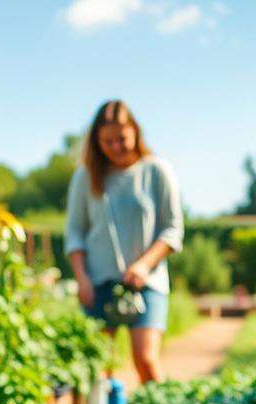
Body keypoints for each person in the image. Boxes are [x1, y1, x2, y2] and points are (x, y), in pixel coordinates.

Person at [65, 99, 184, 384]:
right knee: (97, 368)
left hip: (146, 283)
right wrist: (82, 278)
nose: (115, 147)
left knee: (145, 360)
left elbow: (172, 229)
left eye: (122, 139)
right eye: (107, 141)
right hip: (97, 283)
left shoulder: (156, 171)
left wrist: (144, 266)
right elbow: (75, 231)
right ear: (96, 141)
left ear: (135, 132)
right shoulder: (86, 176)